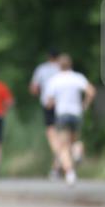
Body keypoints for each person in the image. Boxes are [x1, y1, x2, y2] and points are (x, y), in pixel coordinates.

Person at [42, 54, 96, 186]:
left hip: (62, 115)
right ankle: (77, 151)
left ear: (59, 66)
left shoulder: (55, 80)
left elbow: (48, 102)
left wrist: (54, 102)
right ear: (71, 64)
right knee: (74, 141)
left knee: (63, 146)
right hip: (77, 114)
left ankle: (70, 173)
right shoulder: (77, 77)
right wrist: (85, 104)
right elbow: (91, 91)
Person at [29, 49, 62, 179]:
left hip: (47, 104)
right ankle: (59, 164)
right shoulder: (63, 69)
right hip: (63, 105)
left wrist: (38, 94)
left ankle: (58, 161)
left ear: (48, 57)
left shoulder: (41, 69)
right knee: (63, 135)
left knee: (52, 135)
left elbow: (34, 88)